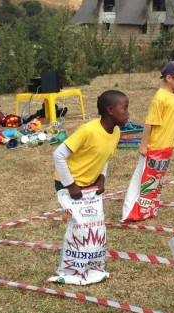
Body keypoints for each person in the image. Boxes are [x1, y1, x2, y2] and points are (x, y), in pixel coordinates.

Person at [48, 90, 128, 285]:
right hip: (69, 184)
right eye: (124, 108)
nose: (128, 113)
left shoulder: (116, 132)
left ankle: (93, 267)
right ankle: (71, 271)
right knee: (80, 227)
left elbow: (104, 157)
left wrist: (102, 177)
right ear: (110, 110)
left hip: (90, 186)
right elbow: (58, 155)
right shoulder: (88, 130)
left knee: (94, 228)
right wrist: (71, 184)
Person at [120, 61, 174, 222]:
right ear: (169, 78)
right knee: (144, 179)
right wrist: (143, 144)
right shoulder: (160, 98)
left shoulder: (173, 96)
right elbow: (150, 123)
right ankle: (131, 212)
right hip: (155, 147)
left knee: (156, 180)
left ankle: (149, 209)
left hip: (166, 147)